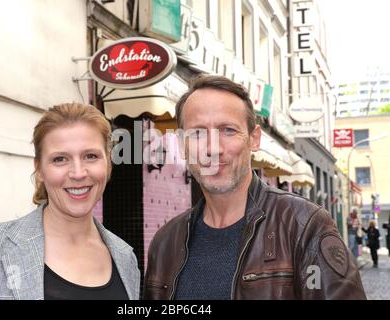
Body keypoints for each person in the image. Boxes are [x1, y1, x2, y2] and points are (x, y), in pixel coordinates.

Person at [143, 75, 366, 300]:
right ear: (182, 144)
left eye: (228, 130)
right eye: (198, 133)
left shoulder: (304, 226)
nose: (213, 148)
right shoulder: (165, 243)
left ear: (254, 139)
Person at [0, 103, 140, 300]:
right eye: (60, 159)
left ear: (108, 164)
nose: (78, 173)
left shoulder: (125, 257)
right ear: (40, 169)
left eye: (91, 156)